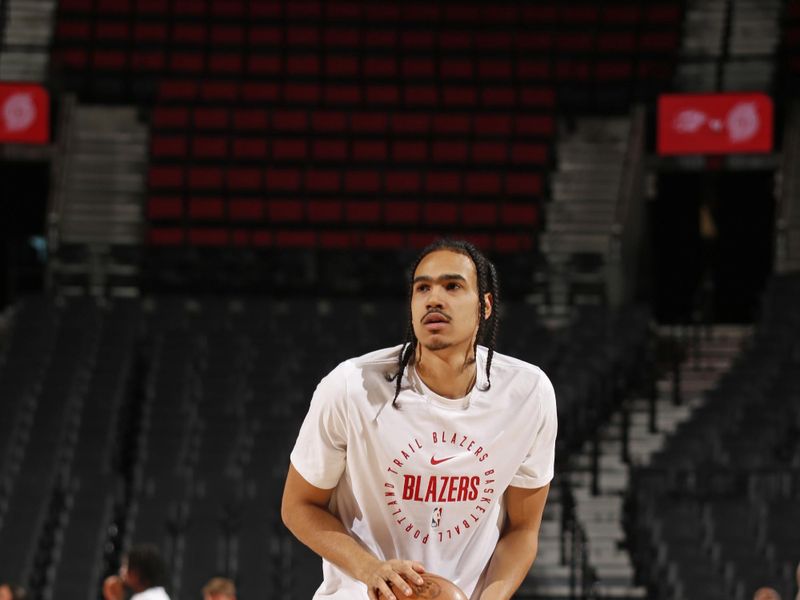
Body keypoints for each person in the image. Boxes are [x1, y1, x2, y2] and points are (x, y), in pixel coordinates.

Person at [282, 239, 557, 600]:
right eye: (422, 287)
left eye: (453, 286)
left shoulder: (528, 394)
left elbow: (522, 530)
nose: (433, 298)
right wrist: (371, 570)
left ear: (485, 306)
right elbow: (298, 506)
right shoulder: (351, 387)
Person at [102, 543, 171, 600]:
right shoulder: (158, 594)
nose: (121, 571)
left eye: (125, 566)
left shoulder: (144, 598)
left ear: (136, 572)